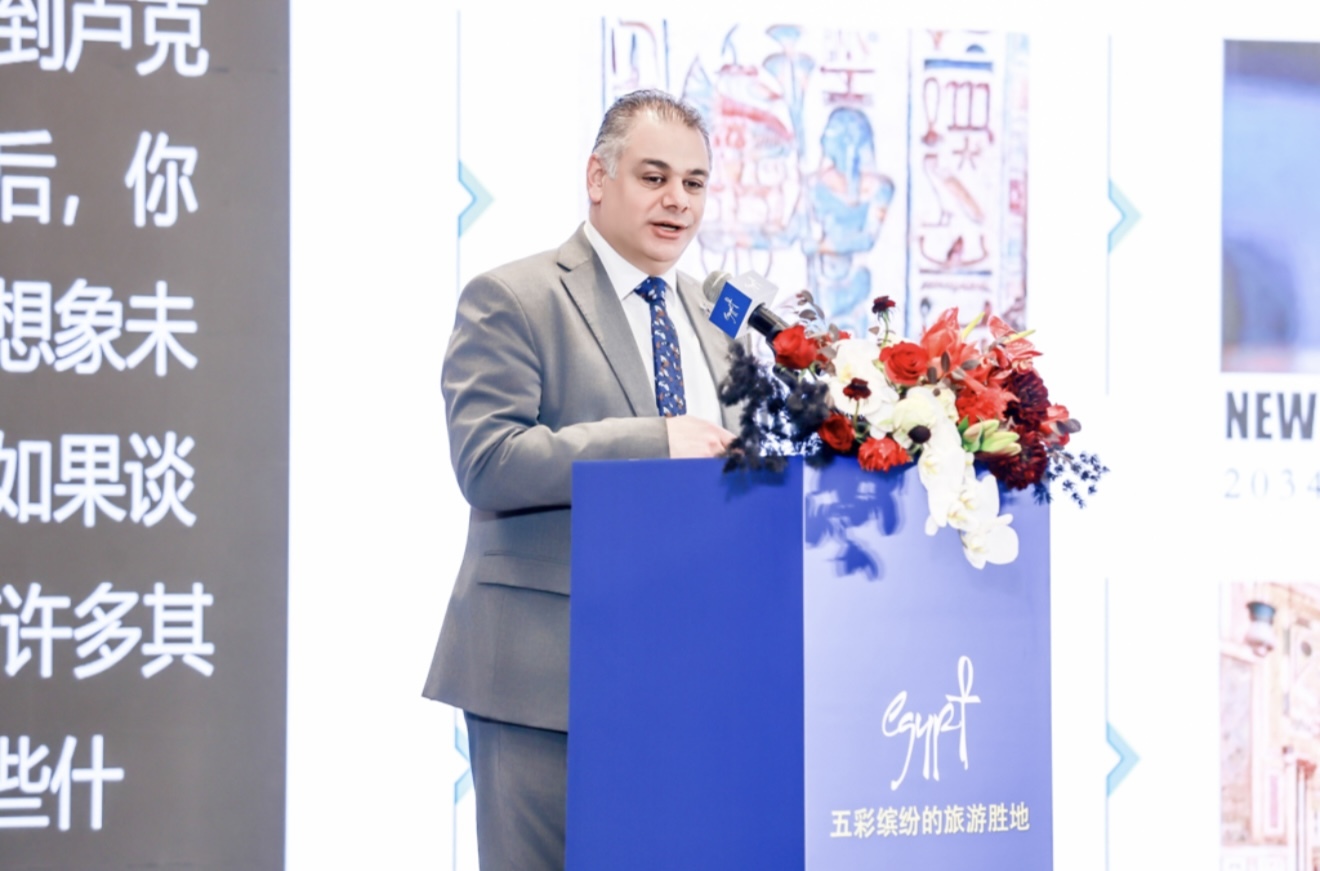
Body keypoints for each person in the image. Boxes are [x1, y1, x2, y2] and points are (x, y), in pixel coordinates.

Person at [423, 90, 739, 870]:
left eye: (694, 183)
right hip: (546, 675)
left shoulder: (717, 318)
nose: (677, 200)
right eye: (654, 177)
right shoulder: (514, 297)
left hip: (686, 672)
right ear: (598, 178)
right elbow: (489, 460)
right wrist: (654, 441)